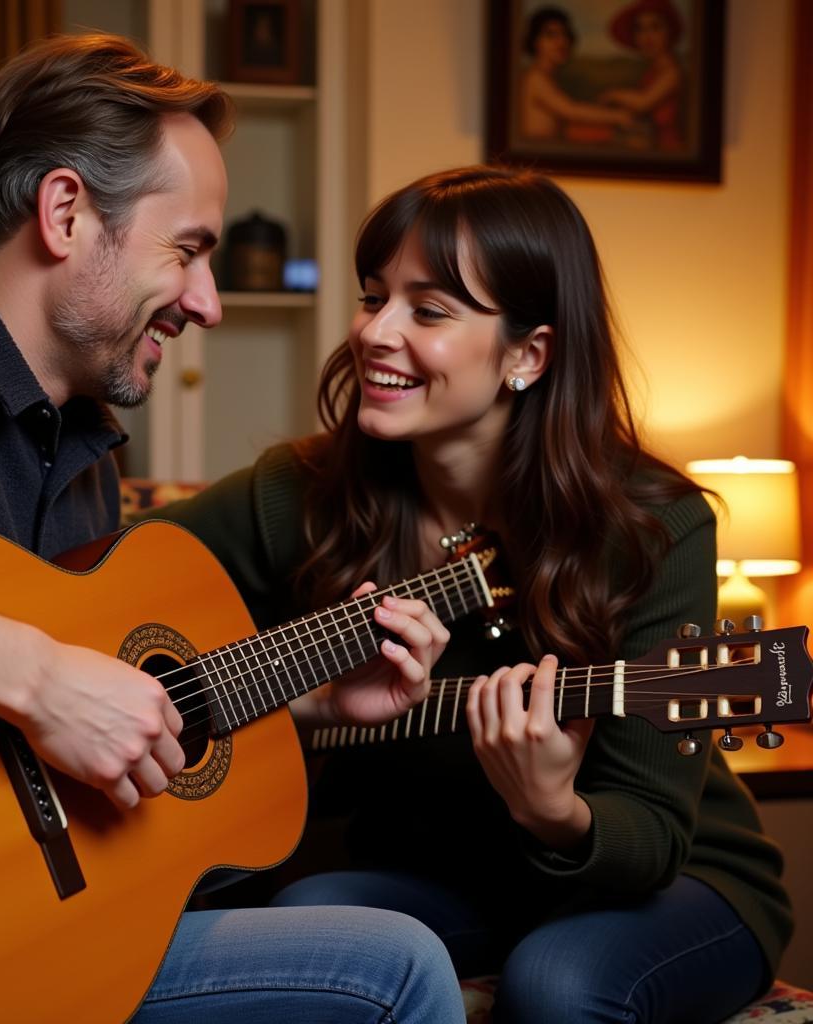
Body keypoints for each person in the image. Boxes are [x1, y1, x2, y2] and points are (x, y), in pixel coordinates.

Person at [0, 33, 468, 1023]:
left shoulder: (87, 453)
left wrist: (300, 703)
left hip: (24, 934)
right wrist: (35, 676)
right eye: (187, 250)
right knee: (397, 966)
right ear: (65, 213)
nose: (207, 303)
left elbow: (63, 751)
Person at [128, 165, 794, 1023]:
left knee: (557, 983)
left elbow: (651, 836)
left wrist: (553, 808)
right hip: (435, 872)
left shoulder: (652, 530)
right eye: (375, 299)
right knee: (304, 930)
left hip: (666, 883)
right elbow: (112, 587)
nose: (375, 333)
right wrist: (305, 706)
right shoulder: (298, 493)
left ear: (528, 354)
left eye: (429, 311)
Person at [518, 6, 632, 143]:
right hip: (533, 159)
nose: (561, 42)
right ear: (535, 41)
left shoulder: (547, 78)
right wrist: (617, 116)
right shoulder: (535, 78)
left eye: (564, 35)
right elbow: (570, 110)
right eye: (551, 35)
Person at [600, 0, 685, 151]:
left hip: (666, 151)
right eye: (640, 29)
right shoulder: (652, 72)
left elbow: (643, 102)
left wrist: (613, 94)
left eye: (655, 27)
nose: (647, 36)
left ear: (669, 31)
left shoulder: (672, 73)